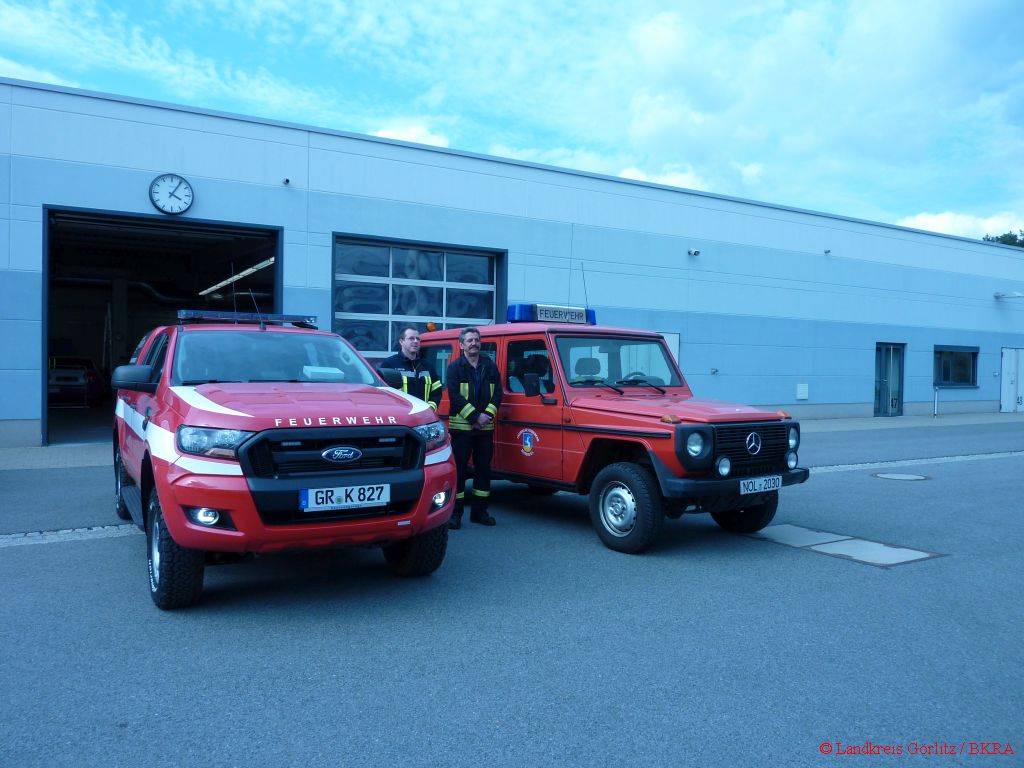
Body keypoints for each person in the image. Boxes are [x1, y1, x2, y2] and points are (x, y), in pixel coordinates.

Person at [446, 327, 502, 528]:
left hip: (484, 430)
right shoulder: (454, 368)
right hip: (462, 431)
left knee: (483, 471)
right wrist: (475, 416)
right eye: (469, 340)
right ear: (461, 345)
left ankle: (480, 512)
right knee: (459, 472)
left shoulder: (490, 366)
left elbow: (498, 394)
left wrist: (487, 414)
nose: (474, 343)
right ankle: (455, 514)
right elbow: (455, 397)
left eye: (476, 340)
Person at [377, 326, 442, 411]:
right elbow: (382, 393)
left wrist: (430, 409)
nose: (415, 341)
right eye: (411, 338)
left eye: (418, 339)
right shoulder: (389, 364)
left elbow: (436, 392)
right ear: (401, 341)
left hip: (423, 416)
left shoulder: (427, 366)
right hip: (400, 416)